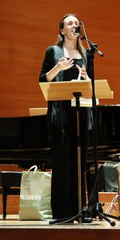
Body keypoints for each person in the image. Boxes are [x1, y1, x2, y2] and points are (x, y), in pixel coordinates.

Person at [39, 13, 91, 222]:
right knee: (61, 163)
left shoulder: (86, 53)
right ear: (61, 30)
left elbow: (90, 85)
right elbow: (43, 80)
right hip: (60, 115)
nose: (74, 25)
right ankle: (62, 213)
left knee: (78, 162)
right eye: (70, 23)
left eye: (77, 23)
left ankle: (80, 210)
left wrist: (87, 78)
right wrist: (58, 68)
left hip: (80, 114)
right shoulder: (53, 51)